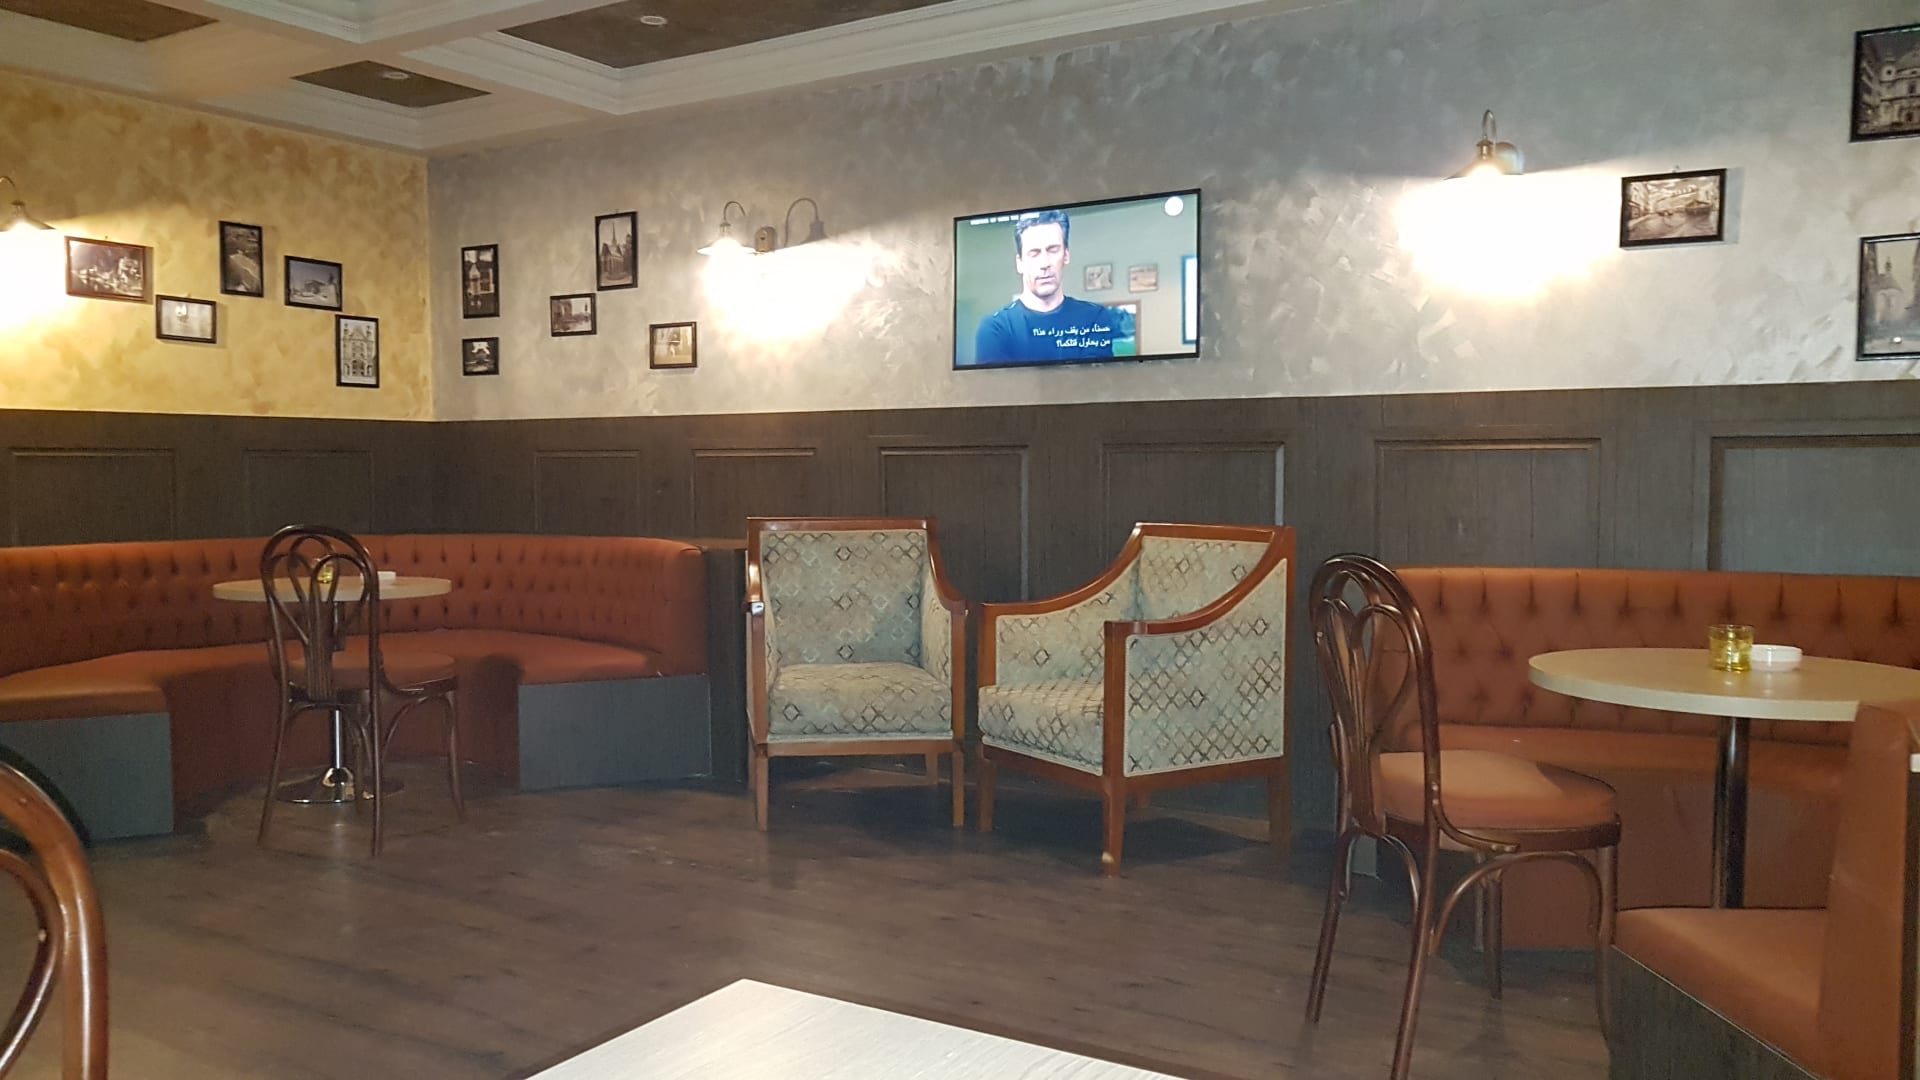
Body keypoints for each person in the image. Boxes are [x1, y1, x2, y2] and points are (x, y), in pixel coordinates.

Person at [973, 209, 1118, 364]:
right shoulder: (996, 328)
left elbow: (1095, 378)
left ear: (1066, 255)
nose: (1044, 263)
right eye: (1034, 253)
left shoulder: (1094, 318)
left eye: (1053, 250)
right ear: (1020, 263)